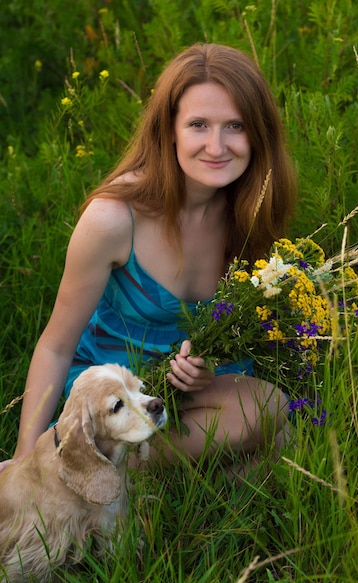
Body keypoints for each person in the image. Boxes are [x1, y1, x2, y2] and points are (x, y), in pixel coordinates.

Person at [0, 43, 297, 473]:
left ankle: (133, 478)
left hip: (202, 388)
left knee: (272, 412)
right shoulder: (115, 219)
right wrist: (24, 459)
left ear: (258, 132)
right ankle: (84, 468)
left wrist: (207, 368)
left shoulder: (253, 206)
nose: (217, 146)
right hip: (119, 392)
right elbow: (55, 345)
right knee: (269, 438)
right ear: (169, 129)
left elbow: (241, 324)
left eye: (235, 125)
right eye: (198, 124)